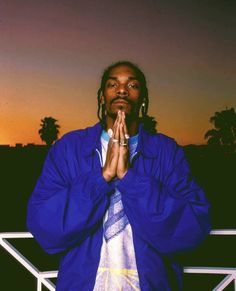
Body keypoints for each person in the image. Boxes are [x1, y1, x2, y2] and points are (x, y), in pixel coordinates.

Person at [27, 61, 211, 291]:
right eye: (112, 84)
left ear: (143, 98)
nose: (122, 90)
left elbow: (192, 228)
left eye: (132, 85)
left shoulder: (166, 152)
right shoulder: (69, 149)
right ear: (102, 97)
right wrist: (101, 178)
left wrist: (129, 178)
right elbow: (43, 225)